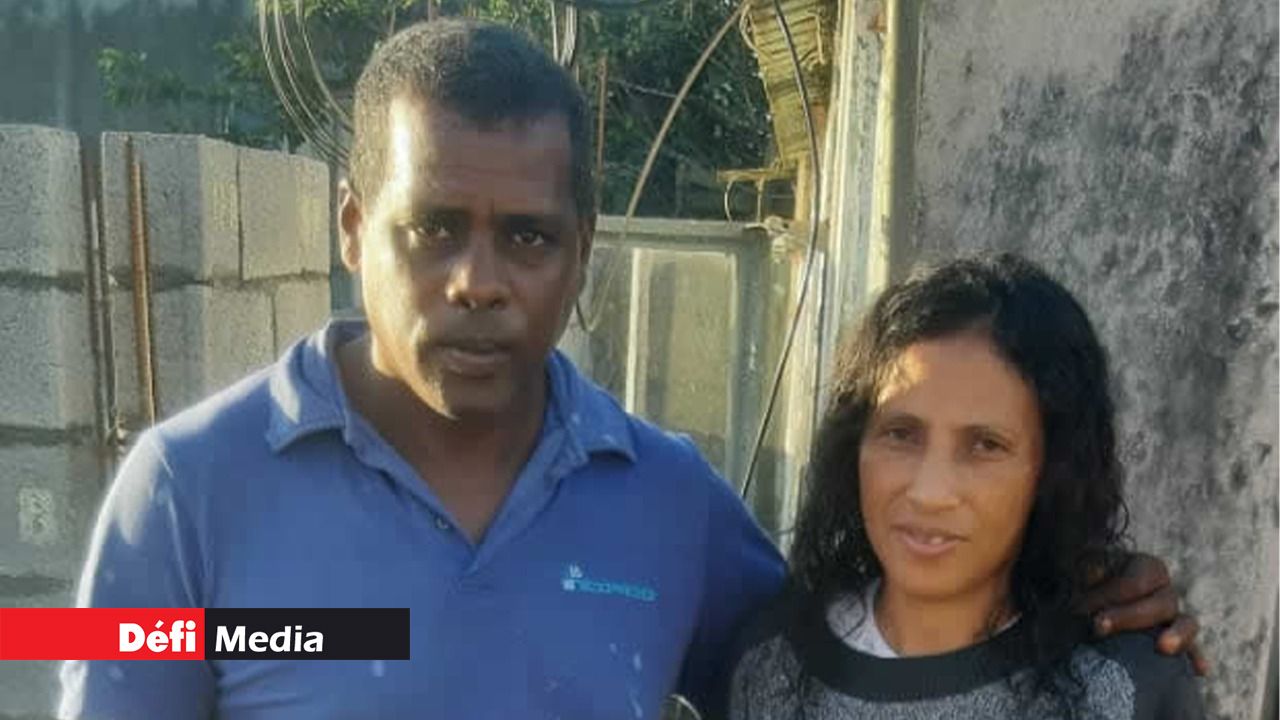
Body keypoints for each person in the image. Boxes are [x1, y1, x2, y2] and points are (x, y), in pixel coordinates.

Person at [59, 20, 1198, 720]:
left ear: (581, 252)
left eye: (527, 237)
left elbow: (849, 648)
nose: (477, 282)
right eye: (432, 229)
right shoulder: (185, 488)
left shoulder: (665, 502)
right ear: (354, 228)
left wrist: (1082, 588)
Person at [727, 255, 1205, 719]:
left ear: (1052, 469)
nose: (929, 492)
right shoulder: (771, 664)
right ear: (853, 445)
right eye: (901, 434)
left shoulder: (1123, 684)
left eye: (985, 445)